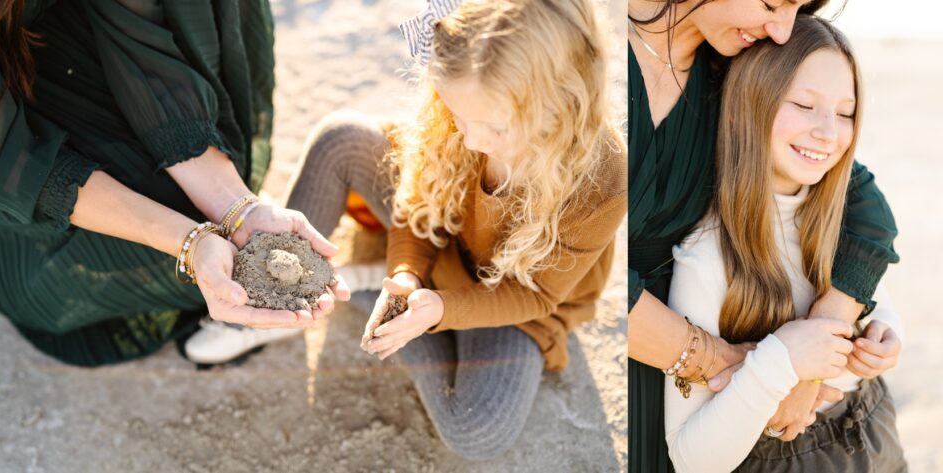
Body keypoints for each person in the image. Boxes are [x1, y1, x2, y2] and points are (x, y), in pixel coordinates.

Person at [233, 0, 624, 459]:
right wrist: (405, 275)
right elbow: (419, 204)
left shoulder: (601, 178)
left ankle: (384, 309)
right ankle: (277, 295)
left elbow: (535, 295)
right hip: (448, 239)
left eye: (494, 128)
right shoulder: (459, 108)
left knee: (478, 432)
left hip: (511, 300)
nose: (473, 139)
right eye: (461, 115)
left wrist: (437, 310)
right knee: (342, 138)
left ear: (561, 104)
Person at [0, 0, 346, 367]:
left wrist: (237, 208)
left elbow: (142, 40)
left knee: (195, 180)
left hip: (72, 21)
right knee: (152, 210)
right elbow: (7, 151)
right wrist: (190, 241)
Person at [626, 1, 902, 471]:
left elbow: (858, 201)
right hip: (639, 334)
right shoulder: (706, 260)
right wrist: (773, 366)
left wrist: (833, 328)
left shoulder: (736, 56)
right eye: (773, 3)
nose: (782, 28)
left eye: (798, 8)